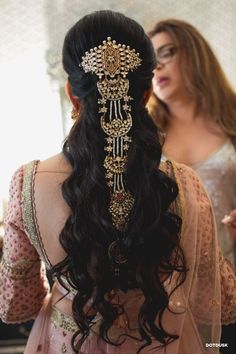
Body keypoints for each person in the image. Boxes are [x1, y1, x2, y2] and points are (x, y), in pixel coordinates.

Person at [0, 10, 235, 354]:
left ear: (72, 94)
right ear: (144, 97)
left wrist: (64, 285)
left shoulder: (27, 184)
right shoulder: (184, 184)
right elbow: (220, 305)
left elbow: (15, 307)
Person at [148, 18, 236, 353]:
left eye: (166, 53)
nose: (157, 66)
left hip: (231, 281)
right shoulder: (145, 133)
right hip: (167, 293)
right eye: (149, 59)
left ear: (195, 54)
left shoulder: (233, 116)